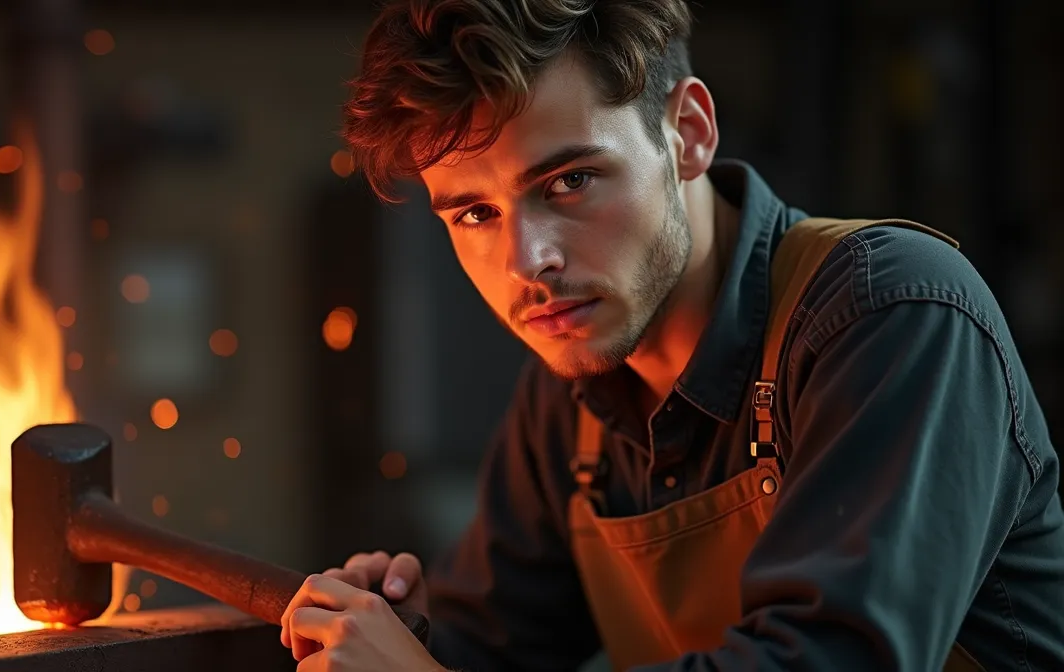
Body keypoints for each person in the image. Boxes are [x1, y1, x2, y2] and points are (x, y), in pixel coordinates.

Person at [278, 0, 1064, 670]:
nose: (528, 262)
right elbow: (485, 648)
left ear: (687, 132)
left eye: (569, 182)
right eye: (475, 214)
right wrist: (401, 629)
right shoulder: (570, 407)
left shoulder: (890, 315)